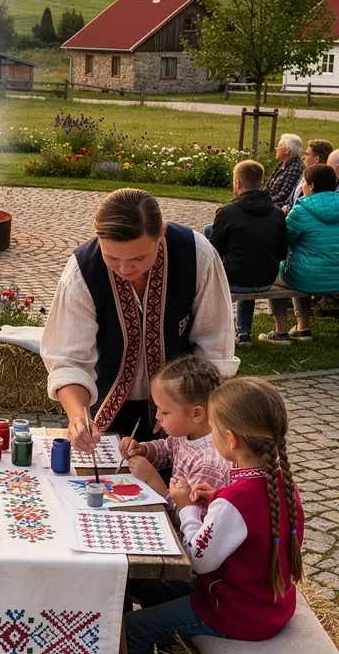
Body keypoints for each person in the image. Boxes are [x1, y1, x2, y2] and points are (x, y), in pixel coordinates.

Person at [83, 377, 304, 654]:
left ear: (231, 440)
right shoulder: (278, 481)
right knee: (152, 589)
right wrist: (212, 498)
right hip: (264, 601)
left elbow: (198, 560)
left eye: (215, 430)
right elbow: (243, 526)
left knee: (131, 629)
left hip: (235, 612)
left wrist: (187, 507)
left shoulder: (235, 501)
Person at [41, 188, 238, 454]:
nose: (124, 269)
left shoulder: (197, 255)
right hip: (107, 415)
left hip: (186, 417)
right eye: (112, 258)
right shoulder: (82, 270)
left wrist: (193, 417)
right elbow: (68, 360)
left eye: (138, 258)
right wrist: (79, 417)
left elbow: (215, 348)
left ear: (161, 234)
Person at [118, 356, 230, 513]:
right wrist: (143, 450)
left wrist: (153, 480)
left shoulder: (209, 463)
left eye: (164, 411)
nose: (157, 417)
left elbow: (193, 520)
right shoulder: (188, 434)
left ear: (196, 414)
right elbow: (167, 449)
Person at [208, 159, 288, 344]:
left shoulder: (228, 212)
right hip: (267, 278)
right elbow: (282, 250)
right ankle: (243, 331)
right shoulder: (276, 213)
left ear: (236, 183)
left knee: (236, 260)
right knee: (250, 258)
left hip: (237, 279)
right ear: (261, 182)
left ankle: (236, 332)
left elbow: (213, 252)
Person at [261, 163, 339, 343]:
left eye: (304, 182)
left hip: (309, 277)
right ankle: (302, 328)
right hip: (336, 275)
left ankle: (281, 332)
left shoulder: (301, 211)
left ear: (311, 185)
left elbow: (282, 243)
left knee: (278, 270)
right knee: (298, 266)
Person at [286, 138, 333, 210]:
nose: (303, 157)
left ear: (316, 159)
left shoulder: (324, 181)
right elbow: (291, 200)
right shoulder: (305, 173)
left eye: (307, 154)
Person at [264, 134, 303, 211]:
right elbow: (267, 188)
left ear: (287, 151)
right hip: (269, 202)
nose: (276, 148)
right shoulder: (281, 164)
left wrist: (263, 203)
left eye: (279, 146)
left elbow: (283, 196)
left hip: (277, 208)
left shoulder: (295, 169)